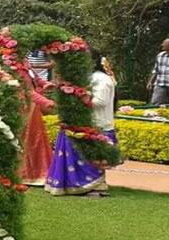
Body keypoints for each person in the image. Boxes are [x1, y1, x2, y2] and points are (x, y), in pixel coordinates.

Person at [45, 48, 119, 197]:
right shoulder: (86, 77)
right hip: (78, 122)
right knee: (76, 154)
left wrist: (76, 94)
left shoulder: (102, 79)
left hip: (96, 123)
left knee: (90, 157)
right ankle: (74, 184)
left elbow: (100, 101)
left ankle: (96, 186)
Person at [17, 69, 54, 186]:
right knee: (26, 140)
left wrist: (46, 84)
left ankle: (40, 172)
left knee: (37, 138)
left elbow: (36, 79)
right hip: (23, 108)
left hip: (33, 108)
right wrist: (47, 102)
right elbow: (27, 91)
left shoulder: (25, 64)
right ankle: (25, 174)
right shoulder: (12, 67)